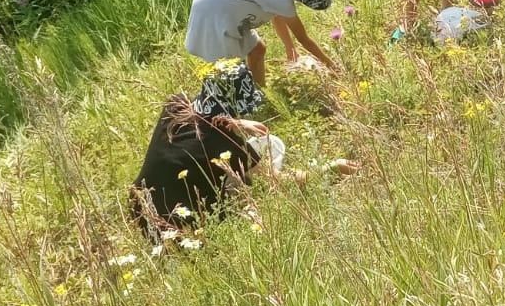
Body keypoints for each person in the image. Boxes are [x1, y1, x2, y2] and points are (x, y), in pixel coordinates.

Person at [130, 61, 355, 235]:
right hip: (181, 227)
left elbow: (201, 119)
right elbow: (278, 180)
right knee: (267, 155)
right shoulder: (221, 143)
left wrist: (235, 123)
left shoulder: (176, 103)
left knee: (262, 148)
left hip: (140, 208)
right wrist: (330, 168)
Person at [185, 0, 337, 85]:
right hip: (213, 9)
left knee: (257, 50)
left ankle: (259, 94)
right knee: (231, 72)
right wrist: (332, 67)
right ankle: (233, 114)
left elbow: (277, 14)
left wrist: (289, 48)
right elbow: (304, 40)